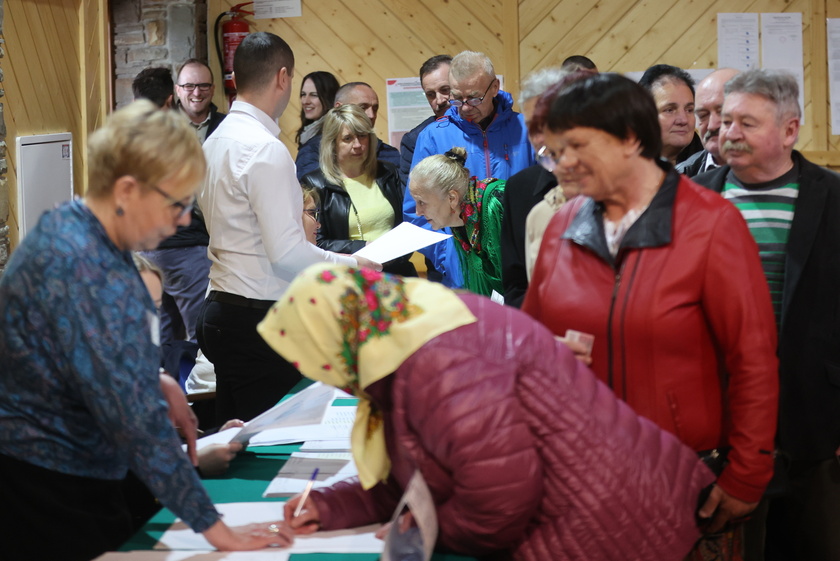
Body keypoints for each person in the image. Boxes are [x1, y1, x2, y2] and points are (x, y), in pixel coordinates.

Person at [257, 264, 715, 561]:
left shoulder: (437, 363)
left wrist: (432, 526)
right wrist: (331, 504)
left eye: (312, 358)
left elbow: (500, 500)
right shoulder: (405, 338)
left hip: (614, 530)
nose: (323, 375)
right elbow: (418, 478)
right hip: (591, 517)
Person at [0, 100, 292, 561]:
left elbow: (70, 352)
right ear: (128, 190)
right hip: (48, 482)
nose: (182, 220)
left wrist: (150, 378)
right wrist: (219, 532)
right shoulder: (84, 263)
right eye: (176, 204)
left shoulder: (74, 225)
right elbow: (134, 422)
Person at [521, 73, 779, 560]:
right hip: (580, 474)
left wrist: (747, 475)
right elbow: (530, 338)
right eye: (555, 151)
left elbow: (754, 361)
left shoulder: (709, 224)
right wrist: (544, 354)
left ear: (630, 140)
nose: (563, 164)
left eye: (576, 146)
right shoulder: (561, 225)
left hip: (686, 477)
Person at [692, 69, 840, 561]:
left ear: (790, 130)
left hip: (818, 424)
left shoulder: (835, 199)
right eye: (724, 120)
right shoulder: (692, 202)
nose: (728, 132)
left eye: (746, 123)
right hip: (721, 424)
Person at [197, 32, 379, 425]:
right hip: (255, 316)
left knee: (235, 443)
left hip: (221, 308)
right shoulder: (264, 147)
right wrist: (352, 263)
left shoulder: (215, 140)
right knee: (269, 445)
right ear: (283, 77)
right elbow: (287, 254)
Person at [405, 50, 535, 288]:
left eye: (474, 98)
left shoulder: (526, 130)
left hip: (523, 267)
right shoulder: (432, 137)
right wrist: (452, 257)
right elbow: (417, 212)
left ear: (494, 87)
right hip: (462, 272)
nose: (464, 107)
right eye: (457, 98)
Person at [301, 105, 416, 277]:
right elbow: (315, 242)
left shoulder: (388, 172)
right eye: (348, 138)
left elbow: (406, 225)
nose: (357, 145)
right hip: (346, 276)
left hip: (396, 273)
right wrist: (363, 248)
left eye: (362, 136)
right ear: (332, 143)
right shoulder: (314, 183)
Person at [500, 66, 569, 307]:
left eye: (548, 123)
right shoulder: (519, 189)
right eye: (532, 127)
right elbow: (515, 282)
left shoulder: (606, 182)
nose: (540, 137)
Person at [409, 148, 504, 296]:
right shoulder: (460, 221)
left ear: (452, 198)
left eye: (422, 202)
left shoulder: (495, 203)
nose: (417, 212)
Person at [296, 82, 400, 179]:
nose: (371, 115)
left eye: (375, 108)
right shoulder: (312, 152)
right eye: (363, 107)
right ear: (339, 108)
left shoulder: (389, 155)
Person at [399, 55, 452, 186]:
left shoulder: (484, 126)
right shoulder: (415, 140)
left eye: (445, 90)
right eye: (431, 95)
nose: (439, 100)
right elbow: (413, 194)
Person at [677, 68, 740, 177]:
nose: (711, 126)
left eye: (722, 112)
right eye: (703, 115)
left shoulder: (775, 171)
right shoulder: (680, 178)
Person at [639, 64, 703, 164]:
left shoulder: (712, 170)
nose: (683, 120)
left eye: (689, 110)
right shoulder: (619, 170)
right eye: (670, 110)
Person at [175, 59, 226, 143]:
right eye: (189, 86)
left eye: (204, 85)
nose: (197, 93)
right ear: (177, 90)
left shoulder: (227, 125)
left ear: (213, 89)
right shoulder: (161, 128)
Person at [296, 70, 340, 149]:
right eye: (303, 94)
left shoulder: (333, 136)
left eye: (314, 95)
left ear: (329, 98)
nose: (306, 101)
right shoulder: (309, 133)